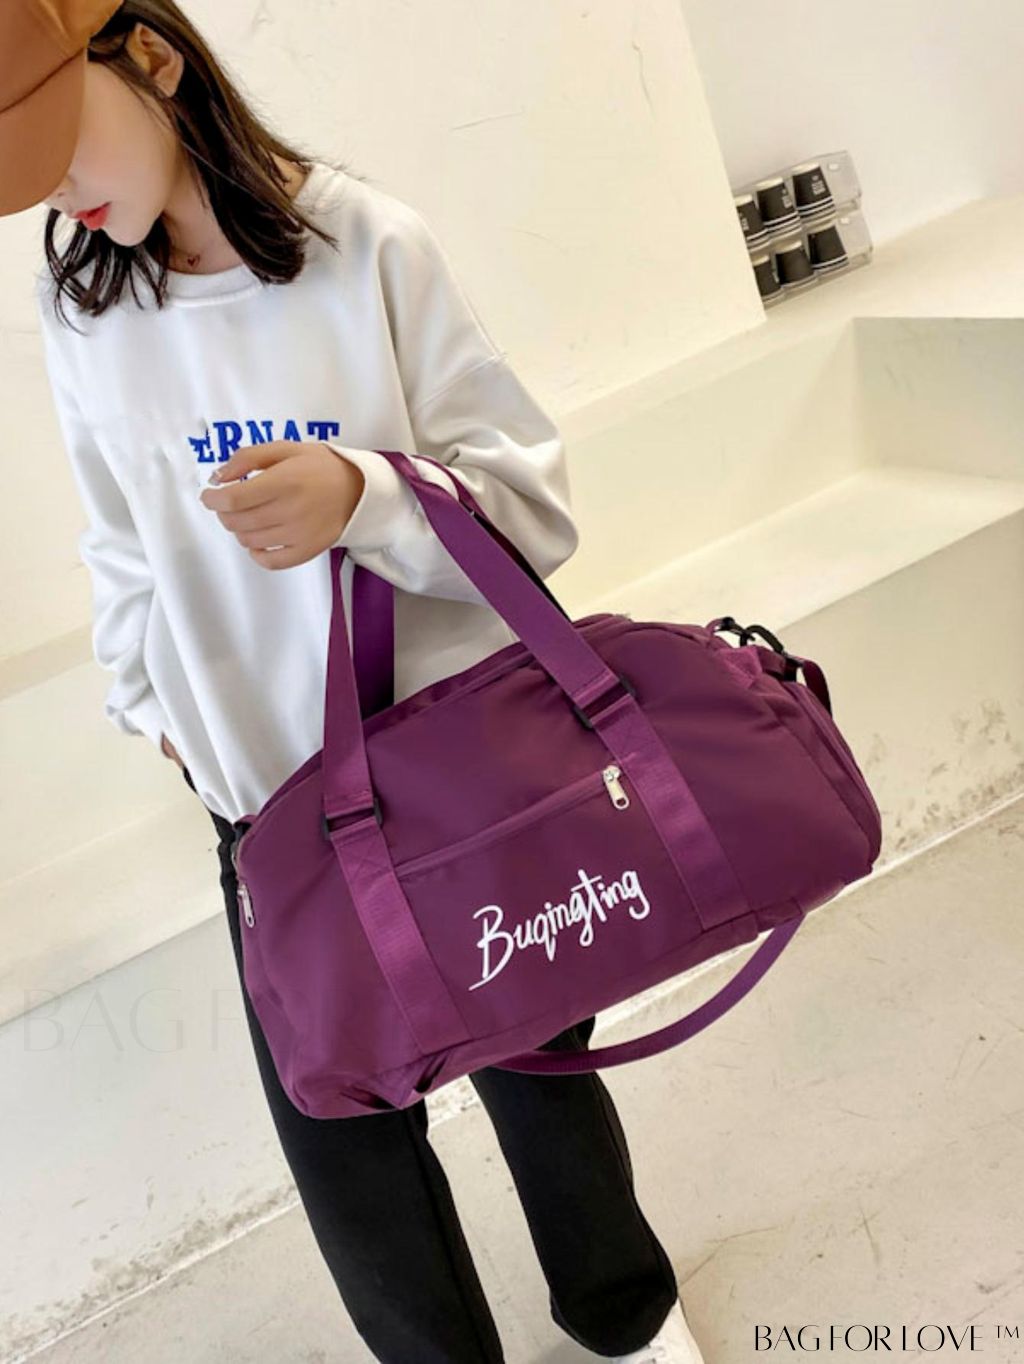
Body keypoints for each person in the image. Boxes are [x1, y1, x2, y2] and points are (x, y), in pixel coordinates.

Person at [3, 2, 706, 1360]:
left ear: (153, 58)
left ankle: (628, 1316)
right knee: (343, 1135)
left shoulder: (366, 245)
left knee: (536, 1058)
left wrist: (363, 495)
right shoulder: (83, 310)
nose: (54, 194)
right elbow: (118, 548)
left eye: (60, 142)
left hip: (445, 765)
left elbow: (530, 509)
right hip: (261, 805)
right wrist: (154, 708)